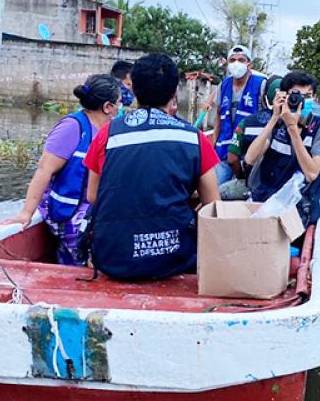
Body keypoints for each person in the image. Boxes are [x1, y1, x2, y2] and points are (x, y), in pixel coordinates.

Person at [84, 53, 220, 280]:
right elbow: (213, 207)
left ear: (134, 90)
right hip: (174, 258)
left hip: (113, 257)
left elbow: (92, 196)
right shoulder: (195, 138)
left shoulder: (107, 133)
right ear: (175, 92)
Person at [3, 74, 120, 265]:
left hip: (92, 209)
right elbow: (44, 170)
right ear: (108, 107)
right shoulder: (73, 127)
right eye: (119, 103)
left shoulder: (110, 131)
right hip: (68, 212)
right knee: (95, 260)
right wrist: (26, 213)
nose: (120, 109)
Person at [244, 71, 320, 226]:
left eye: (308, 96)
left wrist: (292, 127)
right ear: (284, 97)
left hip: (299, 208)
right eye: (296, 95)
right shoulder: (277, 124)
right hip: (267, 200)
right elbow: (250, 159)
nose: (302, 101)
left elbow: (312, 173)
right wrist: (274, 118)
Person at [220, 75, 282, 200]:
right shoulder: (292, 125)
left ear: (263, 97)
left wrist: (242, 177)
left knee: (216, 193)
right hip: (279, 186)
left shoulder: (246, 123)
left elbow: (232, 159)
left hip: (249, 184)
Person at [211, 44, 267, 185]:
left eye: (241, 60)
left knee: (246, 192)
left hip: (249, 152)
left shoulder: (261, 85)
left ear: (249, 64)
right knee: (215, 189)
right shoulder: (224, 85)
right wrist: (213, 143)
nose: (236, 63)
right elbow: (218, 115)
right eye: (232, 60)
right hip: (224, 150)